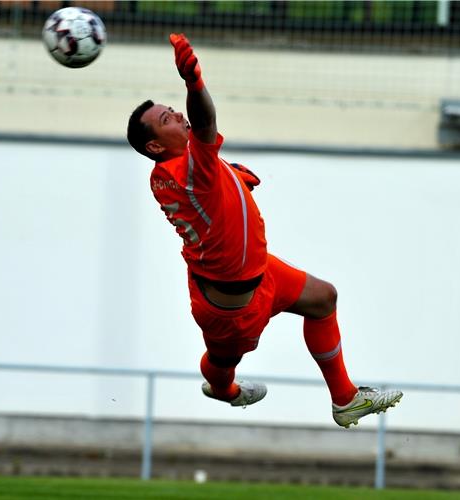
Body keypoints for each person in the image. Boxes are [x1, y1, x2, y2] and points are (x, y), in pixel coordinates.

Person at [126, 34, 402, 428]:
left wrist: (233, 180)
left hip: (254, 271)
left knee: (323, 297)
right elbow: (205, 123)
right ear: (154, 146)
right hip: (232, 305)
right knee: (221, 362)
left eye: (173, 109)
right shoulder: (187, 167)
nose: (179, 115)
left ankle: (346, 399)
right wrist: (194, 83)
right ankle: (224, 390)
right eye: (167, 119)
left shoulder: (178, 170)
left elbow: (205, 183)